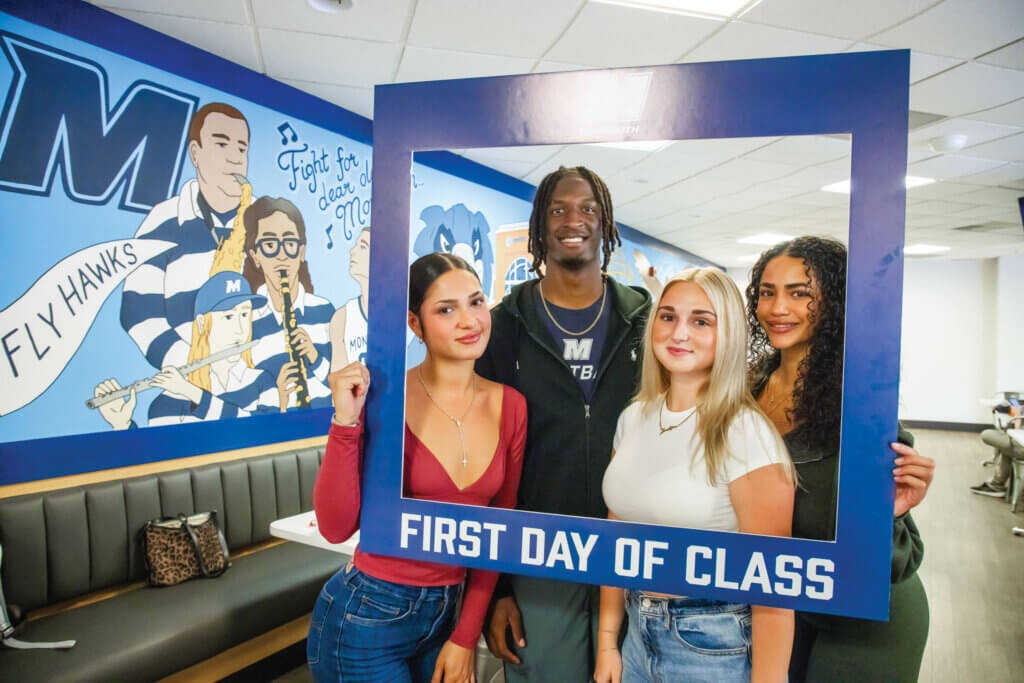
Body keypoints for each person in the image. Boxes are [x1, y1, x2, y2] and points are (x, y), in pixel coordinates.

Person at [309, 253, 527, 682]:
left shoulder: (511, 406)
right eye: (446, 309)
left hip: (446, 614)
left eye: (476, 302)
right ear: (415, 324)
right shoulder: (385, 398)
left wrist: (466, 636)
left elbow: (499, 530)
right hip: (366, 615)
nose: (469, 321)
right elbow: (335, 526)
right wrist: (346, 421)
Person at [477, 166, 652, 682]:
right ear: (539, 226)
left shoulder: (644, 320)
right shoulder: (503, 327)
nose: (573, 220)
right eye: (558, 209)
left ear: (606, 224)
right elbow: (484, 468)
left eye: (588, 209)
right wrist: (498, 588)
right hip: (537, 557)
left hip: (630, 553)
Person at [746, 236, 935, 682]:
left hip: (865, 623)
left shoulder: (864, 404)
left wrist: (885, 516)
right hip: (784, 608)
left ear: (832, 303)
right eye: (767, 292)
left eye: (799, 293)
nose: (777, 307)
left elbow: (893, 560)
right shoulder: (747, 391)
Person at [595, 267, 795, 683]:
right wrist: (608, 642)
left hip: (712, 641)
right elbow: (617, 536)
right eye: (667, 317)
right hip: (637, 632)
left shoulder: (745, 432)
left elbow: (772, 585)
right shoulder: (635, 417)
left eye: (701, 321)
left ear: (729, 336)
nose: (678, 333)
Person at [121, 103, 253, 371]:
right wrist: (193, 368)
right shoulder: (164, 220)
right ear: (195, 153)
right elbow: (138, 312)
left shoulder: (262, 222)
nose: (235, 158)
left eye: (242, 148)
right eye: (221, 144)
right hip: (189, 391)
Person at [95, 272, 280, 428]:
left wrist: (194, 393)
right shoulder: (167, 403)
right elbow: (157, 461)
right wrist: (123, 425)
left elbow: (264, 431)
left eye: (245, 315)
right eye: (229, 317)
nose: (240, 329)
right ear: (202, 323)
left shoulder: (261, 382)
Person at [243, 196, 334, 410]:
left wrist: (315, 357)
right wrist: (280, 401)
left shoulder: (325, 311)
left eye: (290, 243)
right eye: (270, 244)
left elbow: (346, 385)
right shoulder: (246, 321)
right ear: (255, 256)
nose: (281, 255)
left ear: (301, 252)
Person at [329, 225, 370, 369]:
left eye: (363, 247)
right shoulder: (342, 318)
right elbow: (338, 385)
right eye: (355, 245)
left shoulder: (401, 315)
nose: (352, 251)